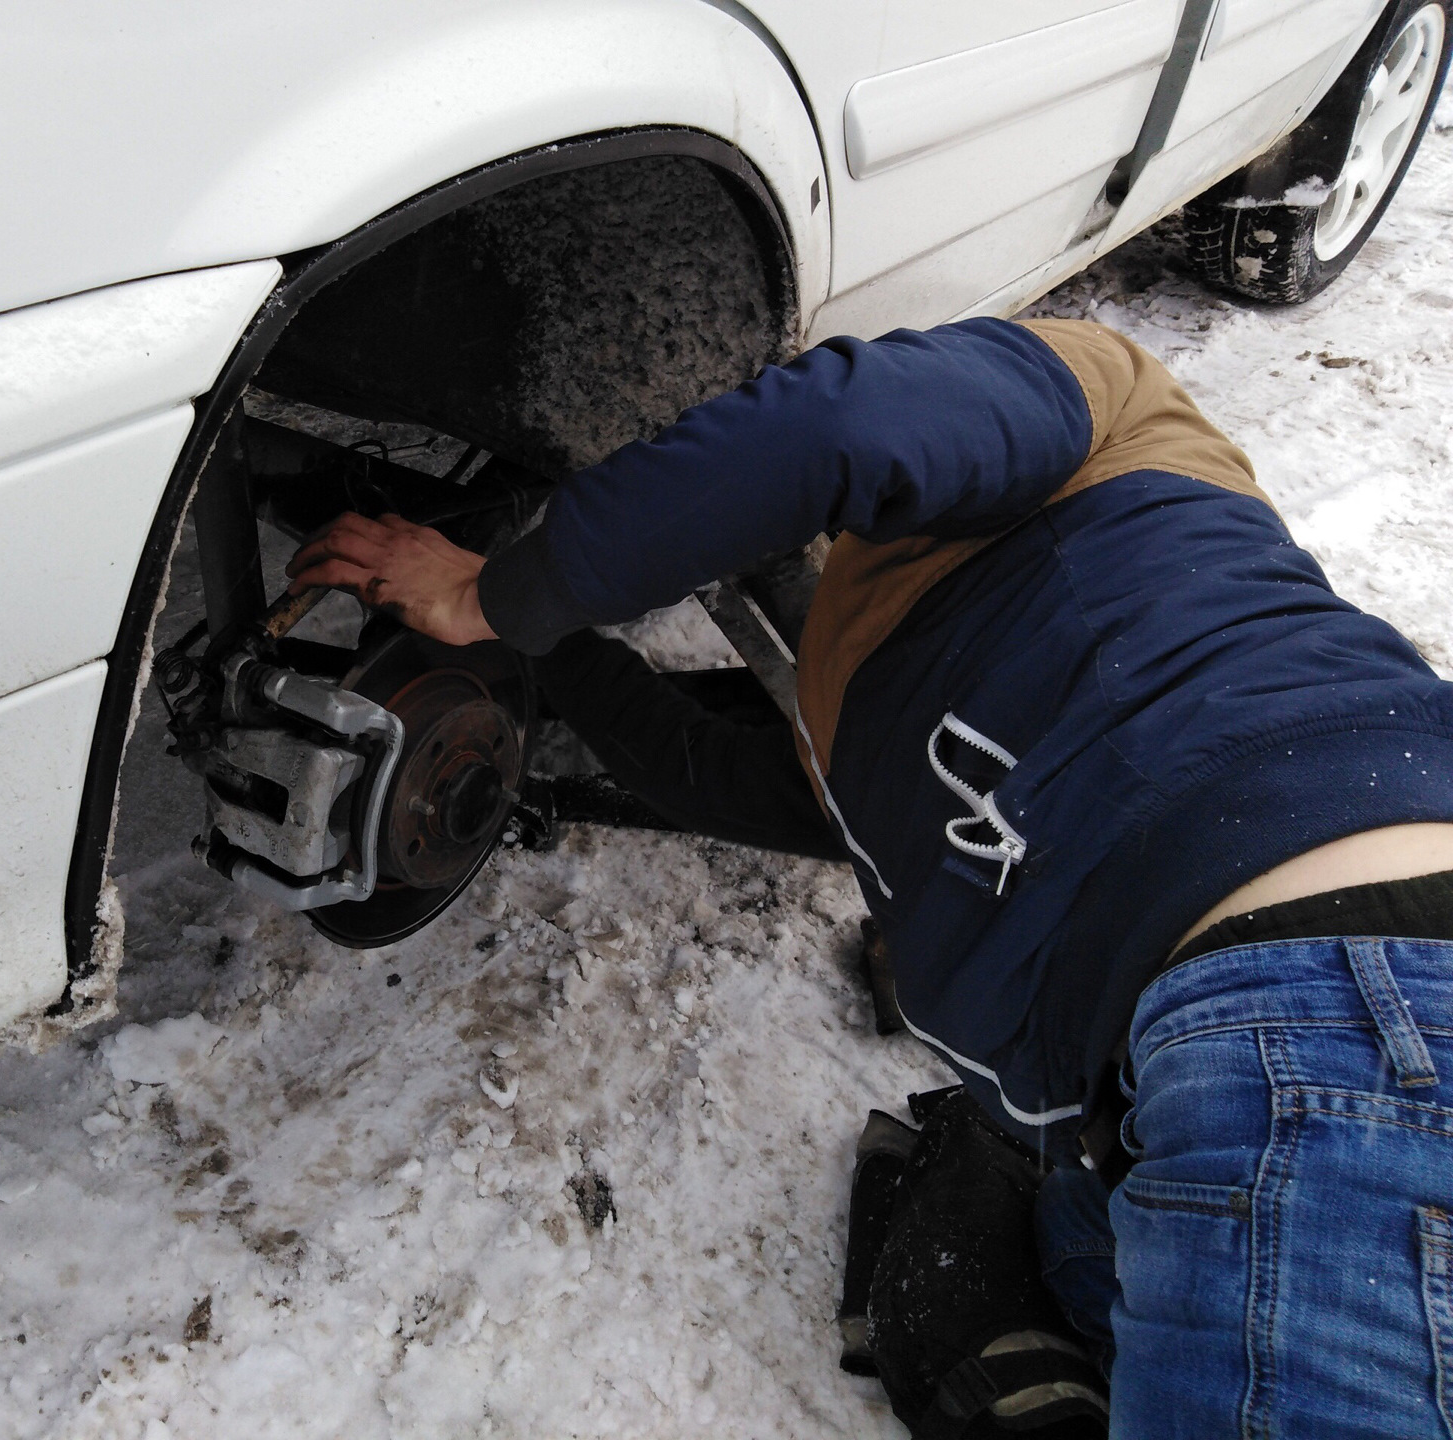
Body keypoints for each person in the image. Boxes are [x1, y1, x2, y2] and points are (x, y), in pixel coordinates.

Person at [286, 317, 1453, 1438]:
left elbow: (827, 429)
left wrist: (499, 591)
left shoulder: (1116, 409)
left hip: (1345, 996)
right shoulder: (888, 696)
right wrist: (508, 620)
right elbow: (712, 774)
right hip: (1257, 1042)